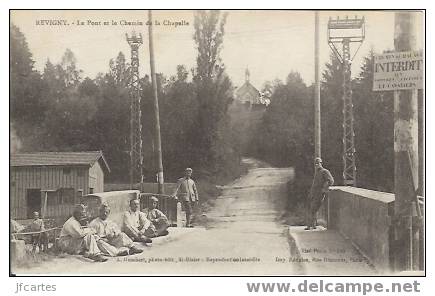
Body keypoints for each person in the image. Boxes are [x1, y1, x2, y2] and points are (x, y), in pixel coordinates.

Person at [305, 157, 334, 230]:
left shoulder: (325, 171)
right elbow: (314, 185)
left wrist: (324, 189)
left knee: (313, 209)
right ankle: (313, 225)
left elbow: (331, 180)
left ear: (321, 163)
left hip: (319, 195)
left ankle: (310, 226)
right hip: (314, 194)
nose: (317, 165)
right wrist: (311, 194)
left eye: (318, 163)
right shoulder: (317, 172)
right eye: (316, 164)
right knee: (312, 209)